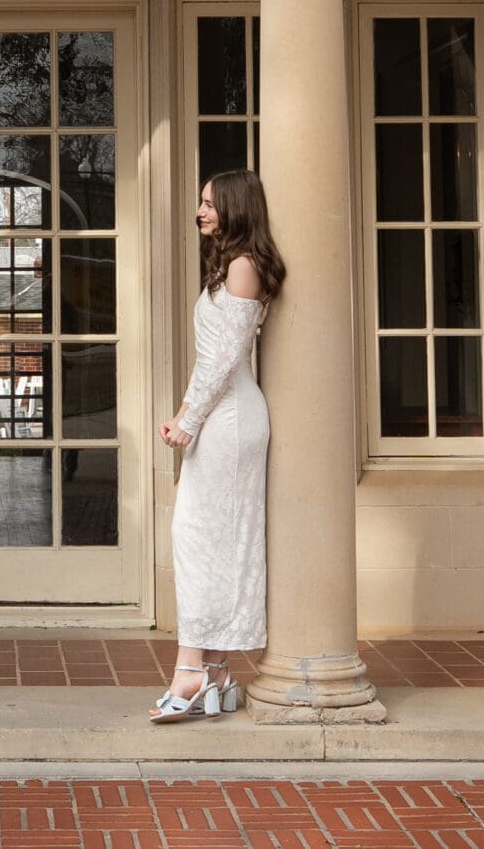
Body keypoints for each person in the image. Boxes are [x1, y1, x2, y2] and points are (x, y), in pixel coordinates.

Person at [151, 169, 282, 722]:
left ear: (234, 207)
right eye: (199, 201)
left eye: (208, 203)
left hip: (230, 421)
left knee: (202, 537)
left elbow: (224, 360)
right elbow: (212, 360)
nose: (200, 211)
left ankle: (191, 669)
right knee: (208, 538)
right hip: (219, 415)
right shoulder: (231, 265)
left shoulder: (245, 266)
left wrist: (190, 419)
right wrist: (186, 414)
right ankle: (218, 673)